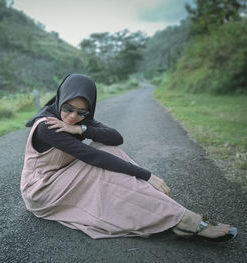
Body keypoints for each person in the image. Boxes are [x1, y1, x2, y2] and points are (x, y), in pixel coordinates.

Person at [20, 73, 237, 242]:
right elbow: (91, 156)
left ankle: (163, 209)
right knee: (99, 164)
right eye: (68, 108)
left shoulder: (78, 121)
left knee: (108, 148)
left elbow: (116, 138)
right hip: (42, 190)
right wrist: (147, 175)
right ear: (61, 99)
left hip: (63, 178)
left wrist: (81, 129)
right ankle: (184, 219)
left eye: (81, 112)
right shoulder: (47, 126)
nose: (72, 116)